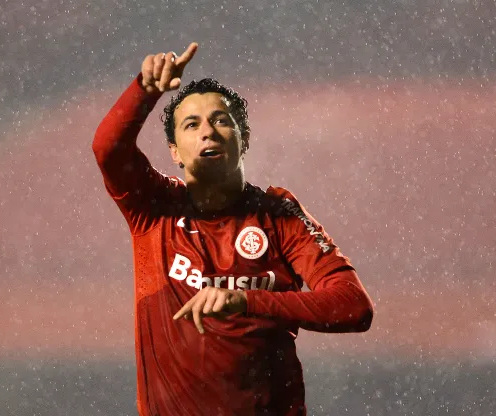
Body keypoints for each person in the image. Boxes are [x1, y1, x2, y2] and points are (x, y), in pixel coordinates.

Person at [92, 41, 374, 416]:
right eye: (192, 125)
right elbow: (108, 149)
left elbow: (354, 307)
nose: (208, 131)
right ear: (175, 152)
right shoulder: (152, 207)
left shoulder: (279, 214)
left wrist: (244, 301)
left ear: (244, 140)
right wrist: (146, 91)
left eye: (221, 120)